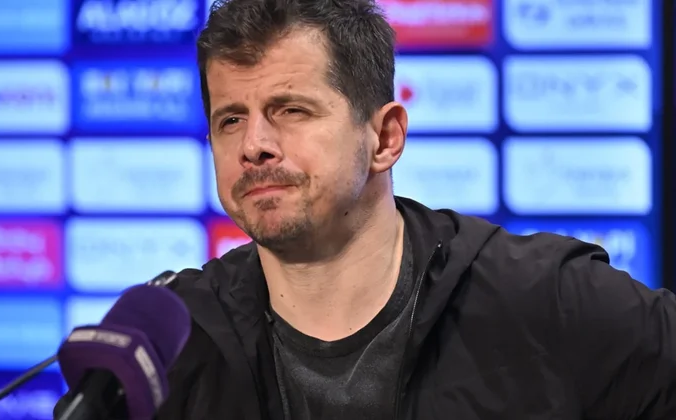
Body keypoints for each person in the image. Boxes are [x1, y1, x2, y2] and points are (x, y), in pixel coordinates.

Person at [156, 0, 676, 419]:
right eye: (230, 120)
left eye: (291, 110)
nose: (254, 146)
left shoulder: (546, 300)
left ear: (385, 138)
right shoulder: (168, 341)